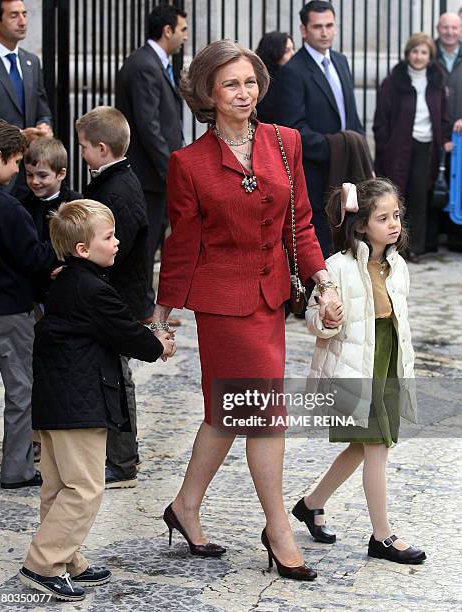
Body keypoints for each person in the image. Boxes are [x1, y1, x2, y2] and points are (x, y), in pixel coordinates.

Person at [153, 40, 344, 581]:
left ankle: (185, 507)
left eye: (250, 82)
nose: (244, 92)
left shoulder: (284, 143)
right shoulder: (187, 164)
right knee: (264, 415)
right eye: (230, 84)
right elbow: (183, 244)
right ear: (208, 95)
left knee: (226, 414)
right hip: (221, 306)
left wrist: (322, 282)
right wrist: (161, 316)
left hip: (270, 300)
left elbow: (301, 222)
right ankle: (278, 528)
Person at [19, 199, 175, 602]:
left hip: (54, 400)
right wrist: (157, 344)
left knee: (57, 487)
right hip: (78, 404)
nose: (117, 241)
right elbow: (126, 332)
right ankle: (43, 563)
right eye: (108, 237)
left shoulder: (66, 280)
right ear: (82, 249)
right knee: (85, 488)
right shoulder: (92, 290)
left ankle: (67, 558)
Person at [294, 178, 426, 565]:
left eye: (396, 216)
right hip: (355, 368)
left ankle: (311, 504)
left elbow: (398, 322)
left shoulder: (398, 266)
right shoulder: (335, 268)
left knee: (361, 446)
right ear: (361, 224)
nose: (393, 224)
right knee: (377, 447)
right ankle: (382, 536)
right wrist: (327, 316)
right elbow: (316, 323)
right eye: (383, 217)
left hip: (386, 361)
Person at [76, 106, 151, 489]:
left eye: (85, 147)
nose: (82, 153)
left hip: (117, 297)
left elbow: (114, 249)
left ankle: (123, 462)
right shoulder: (114, 180)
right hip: (116, 294)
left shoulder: (117, 190)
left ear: (102, 149)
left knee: (116, 378)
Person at [0, 118, 56, 489]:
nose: (18, 171)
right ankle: (17, 469)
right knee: (21, 391)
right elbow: (33, 258)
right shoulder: (8, 208)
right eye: (16, 163)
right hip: (8, 309)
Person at [115, 3, 188, 324]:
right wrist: (170, 167)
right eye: (182, 30)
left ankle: (146, 304)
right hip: (148, 174)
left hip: (155, 173)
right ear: (167, 30)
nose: (185, 36)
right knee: (144, 243)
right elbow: (148, 126)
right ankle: (142, 308)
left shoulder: (155, 63)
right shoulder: (144, 65)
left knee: (154, 240)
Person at [279, 1, 364, 257]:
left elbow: (351, 114)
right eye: (318, 27)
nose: (325, 32)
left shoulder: (341, 60)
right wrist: (335, 146)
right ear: (304, 31)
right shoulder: (293, 71)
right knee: (323, 242)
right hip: (316, 173)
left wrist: (356, 146)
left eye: (329, 26)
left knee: (351, 237)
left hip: (346, 167)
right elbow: (293, 130)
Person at [373, 33, 451, 262]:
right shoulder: (394, 81)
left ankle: (414, 248)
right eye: (415, 51)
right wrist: (385, 145)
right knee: (396, 197)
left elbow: (443, 114)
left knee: (419, 198)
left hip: (427, 146)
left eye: (424, 52)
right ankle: (393, 247)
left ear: (430, 56)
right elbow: (382, 118)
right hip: (398, 148)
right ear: (408, 54)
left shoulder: (436, 81)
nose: (419, 57)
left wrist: (445, 137)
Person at [0, 0, 53, 196]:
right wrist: (19, 135)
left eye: (25, 14)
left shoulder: (32, 62)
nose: (22, 21)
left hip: (30, 174)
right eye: (14, 15)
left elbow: (42, 108)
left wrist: (44, 126)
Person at [22, 137, 81, 305]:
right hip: (31, 292)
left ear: (61, 174)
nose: (34, 181)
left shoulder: (75, 203)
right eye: (29, 175)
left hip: (65, 292)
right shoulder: (21, 205)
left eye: (42, 175)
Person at [436, 12, 462, 252]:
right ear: (438, 28)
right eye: (445, 27)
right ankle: (436, 237)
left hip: (461, 132)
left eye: (454, 28)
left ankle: (457, 240)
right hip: (437, 131)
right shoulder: (429, 54)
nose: (450, 32)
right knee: (437, 181)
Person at [255, 31, 295, 124]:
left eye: (293, 49)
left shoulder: (290, 76)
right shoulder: (261, 80)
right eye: (286, 51)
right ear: (273, 52)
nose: (293, 54)